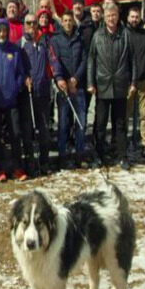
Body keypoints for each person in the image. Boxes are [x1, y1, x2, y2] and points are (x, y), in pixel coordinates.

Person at [87, 2, 136, 170]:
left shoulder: (125, 35)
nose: (111, 19)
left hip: (121, 85)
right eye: (108, 16)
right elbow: (91, 60)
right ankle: (98, 155)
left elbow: (133, 61)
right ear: (104, 17)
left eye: (113, 15)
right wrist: (90, 83)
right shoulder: (97, 35)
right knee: (100, 124)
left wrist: (133, 82)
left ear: (118, 16)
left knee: (120, 123)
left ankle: (122, 155)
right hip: (102, 85)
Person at [0, 19, 25, 182]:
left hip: (11, 100)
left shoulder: (15, 51)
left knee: (15, 134)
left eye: (5, 31)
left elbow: (20, 74)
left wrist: (15, 89)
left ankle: (17, 167)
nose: (2, 34)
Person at [50, 11, 88, 170]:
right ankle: (62, 156)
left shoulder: (80, 40)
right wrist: (60, 79)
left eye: (69, 20)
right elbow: (54, 60)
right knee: (64, 123)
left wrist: (76, 78)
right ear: (61, 22)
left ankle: (80, 155)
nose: (67, 23)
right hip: (63, 88)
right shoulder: (55, 40)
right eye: (64, 20)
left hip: (77, 86)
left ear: (73, 22)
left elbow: (84, 61)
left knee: (81, 122)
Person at [19, 13, 52, 177]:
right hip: (28, 94)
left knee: (44, 129)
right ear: (24, 25)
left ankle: (44, 162)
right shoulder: (21, 44)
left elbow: (52, 62)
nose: (31, 25)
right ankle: (30, 163)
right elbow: (18, 67)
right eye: (28, 23)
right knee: (27, 131)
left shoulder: (44, 42)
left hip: (43, 92)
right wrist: (24, 77)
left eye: (34, 23)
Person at [125, 6, 145, 159]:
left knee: (144, 113)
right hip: (128, 80)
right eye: (132, 17)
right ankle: (124, 141)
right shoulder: (124, 33)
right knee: (126, 112)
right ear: (128, 17)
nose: (134, 19)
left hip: (143, 78)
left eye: (136, 17)